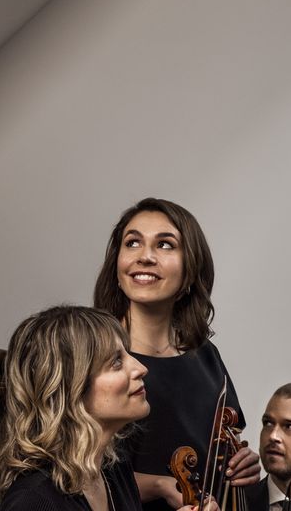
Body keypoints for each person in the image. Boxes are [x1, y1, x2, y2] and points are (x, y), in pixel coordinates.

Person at [92, 198, 264, 511]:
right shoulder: (92, 355)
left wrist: (243, 464)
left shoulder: (206, 356)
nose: (145, 257)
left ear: (190, 270)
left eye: (165, 245)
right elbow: (72, 470)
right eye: (133, 243)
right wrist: (159, 484)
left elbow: (224, 444)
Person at [0, 305, 149, 511]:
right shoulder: (33, 502)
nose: (141, 368)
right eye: (116, 361)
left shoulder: (113, 468)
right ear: (71, 389)